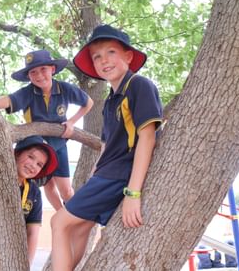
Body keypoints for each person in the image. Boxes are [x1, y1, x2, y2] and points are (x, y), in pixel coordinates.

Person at [50, 24, 163, 270]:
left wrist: (133, 193)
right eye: (97, 57)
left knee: (58, 222)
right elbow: (106, 144)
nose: (104, 60)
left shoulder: (138, 85)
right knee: (78, 229)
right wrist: (94, 173)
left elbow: (147, 137)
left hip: (118, 175)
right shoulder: (110, 100)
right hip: (104, 174)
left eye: (111, 52)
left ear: (128, 56)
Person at [0, 49, 94, 211]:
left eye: (43, 69)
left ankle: (74, 215)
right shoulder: (28, 92)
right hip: (36, 146)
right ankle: (60, 214)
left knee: (66, 190)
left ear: (52, 69)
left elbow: (88, 102)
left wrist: (71, 122)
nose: (39, 75)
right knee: (48, 186)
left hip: (58, 143)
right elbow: (8, 100)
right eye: (33, 72)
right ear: (28, 76)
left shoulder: (65, 88)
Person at [14, 135, 58, 266]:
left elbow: (32, 233)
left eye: (39, 164)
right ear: (17, 153)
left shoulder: (34, 192)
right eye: (31, 157)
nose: (33, 165)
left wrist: (26, 265)